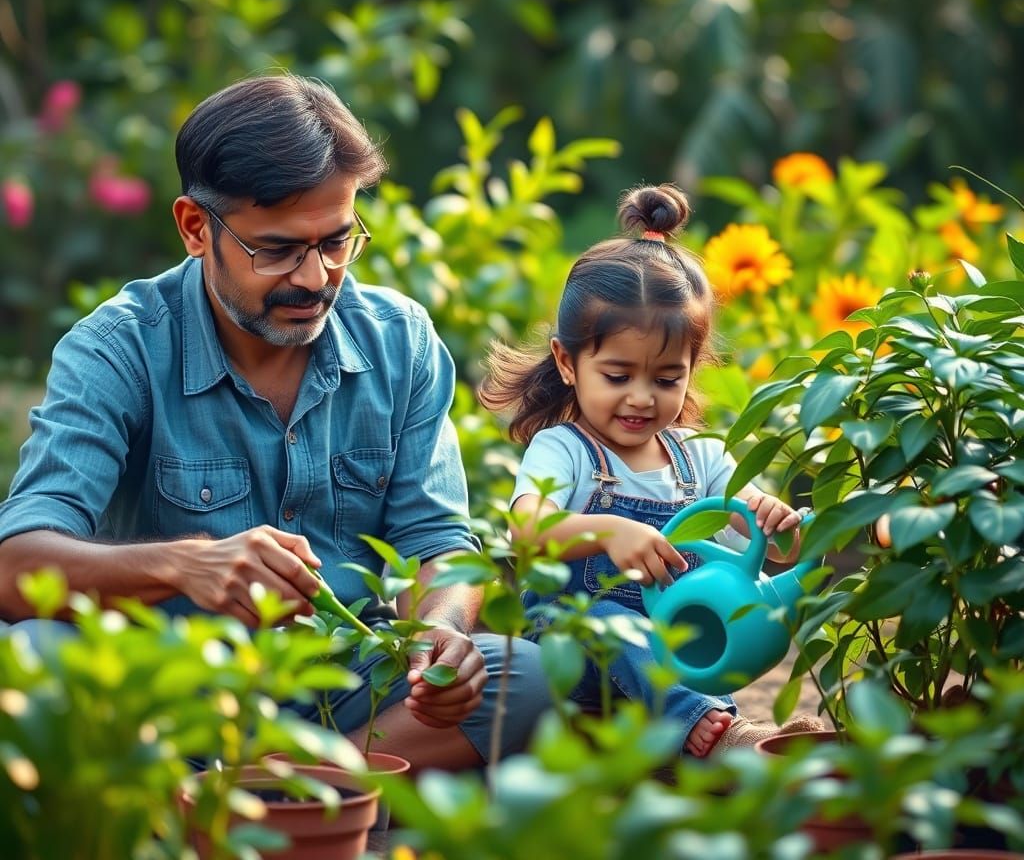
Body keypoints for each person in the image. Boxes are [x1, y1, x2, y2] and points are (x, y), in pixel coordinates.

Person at [0, 74, 547, 772]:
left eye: (338, 242)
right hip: (170, 692)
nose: (316, 277)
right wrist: (184, 564)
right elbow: (17, 564)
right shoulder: (121, 347)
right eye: (280, 249)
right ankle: (293, 794)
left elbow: (435, 537)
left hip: (343, 686)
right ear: (197, 229)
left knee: (519, 675)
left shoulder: (399, 340)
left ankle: (277, 792)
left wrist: (437, 636)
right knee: (26, 659)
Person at [478, 182, 814, 757]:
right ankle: (720, 731)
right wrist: (610, 530)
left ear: (691, 369)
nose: (640, 398)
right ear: (567, 361)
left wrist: (776, 521)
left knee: (704, 623)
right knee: (613, 617)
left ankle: (719, 735)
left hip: (681, 647)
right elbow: (527, 532)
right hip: (578, 642)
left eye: (664, 379)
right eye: (617, 376)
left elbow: (777, 554)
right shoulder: (565, 451)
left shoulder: (702, 459)